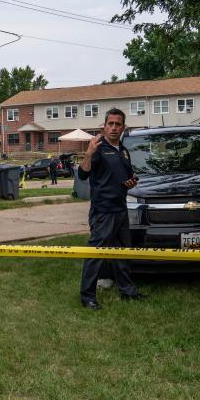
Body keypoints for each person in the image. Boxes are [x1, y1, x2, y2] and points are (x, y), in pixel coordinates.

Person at [77, 108, 144, 309]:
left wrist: (130, 183)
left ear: (123, 127)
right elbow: (82, 175)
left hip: (120, 209)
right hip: (103, 211)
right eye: (110, 124)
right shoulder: (98, 148)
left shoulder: (123, 151)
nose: (114, 128)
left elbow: (125, 178)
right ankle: (87, 296)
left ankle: (128, 291)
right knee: (96, 254)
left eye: (118, 124)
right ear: (104, 126)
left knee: (123, 253)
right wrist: (89, 153)